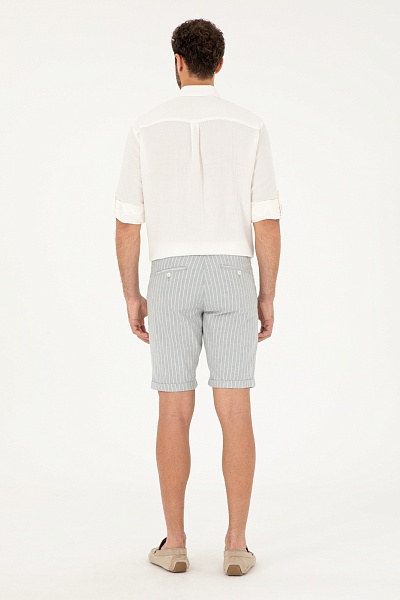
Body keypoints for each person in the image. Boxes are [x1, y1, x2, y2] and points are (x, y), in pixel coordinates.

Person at [114, 18, 281, 576]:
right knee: (235, 409)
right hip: (234, 271)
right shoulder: (250, 125)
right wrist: (267, 293)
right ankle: (236, 544)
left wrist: (132, 294)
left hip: (170, 273)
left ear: (178, 62)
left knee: (174, 409)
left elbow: (127, 222)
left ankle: (176, 543)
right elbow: (266, 219)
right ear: (220, 64)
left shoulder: (146, 126)